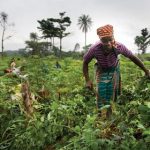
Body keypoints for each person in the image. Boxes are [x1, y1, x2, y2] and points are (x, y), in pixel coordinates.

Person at [83, 24, 150, 117]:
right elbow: (85, 62)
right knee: (101, 91)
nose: (108, 43)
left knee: (111, 92)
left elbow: (132, 57)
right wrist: (87, 80)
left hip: (114, 69)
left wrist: (146, 70)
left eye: (110, 39)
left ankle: (109, 115)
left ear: (113, 37)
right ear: (100, 40)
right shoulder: (94, 49)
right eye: (104, 40)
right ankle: (100, 115)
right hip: (101, 70)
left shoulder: (119, 46)